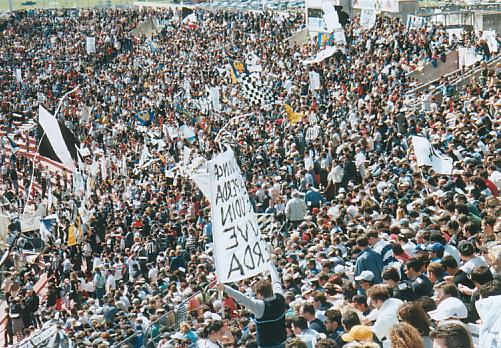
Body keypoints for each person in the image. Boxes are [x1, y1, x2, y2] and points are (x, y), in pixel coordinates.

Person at [217, 261, 286, 348]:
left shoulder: (260, 306)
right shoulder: (280, 297)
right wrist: (271, 266)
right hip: (283, 342)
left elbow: (242, 298)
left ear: (260, 294)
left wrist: (224, 288)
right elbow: (276, 281)